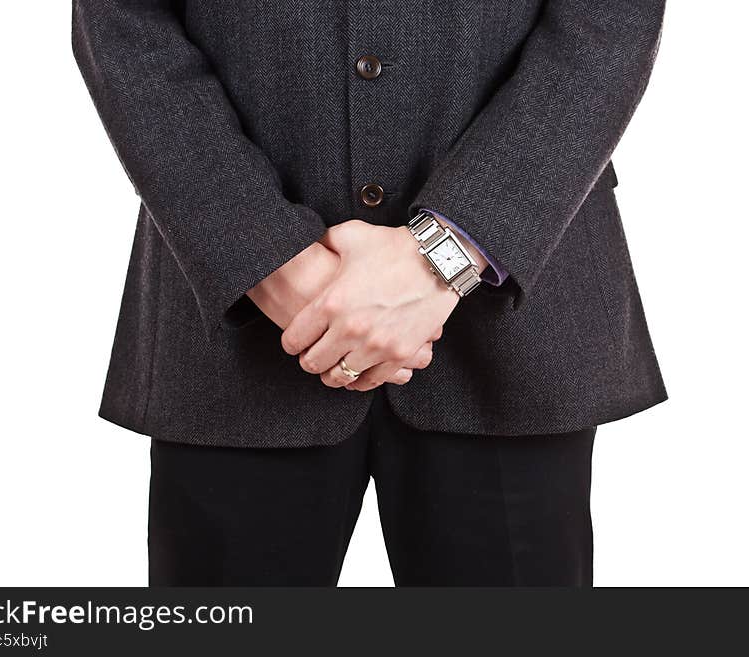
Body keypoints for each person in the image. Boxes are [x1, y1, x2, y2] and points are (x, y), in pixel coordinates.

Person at [72, 0, 667, 586]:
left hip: (507, 326)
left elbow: (612, 15)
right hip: (237, 335)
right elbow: (121, 19)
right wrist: (265, 257)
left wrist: (451, 251)